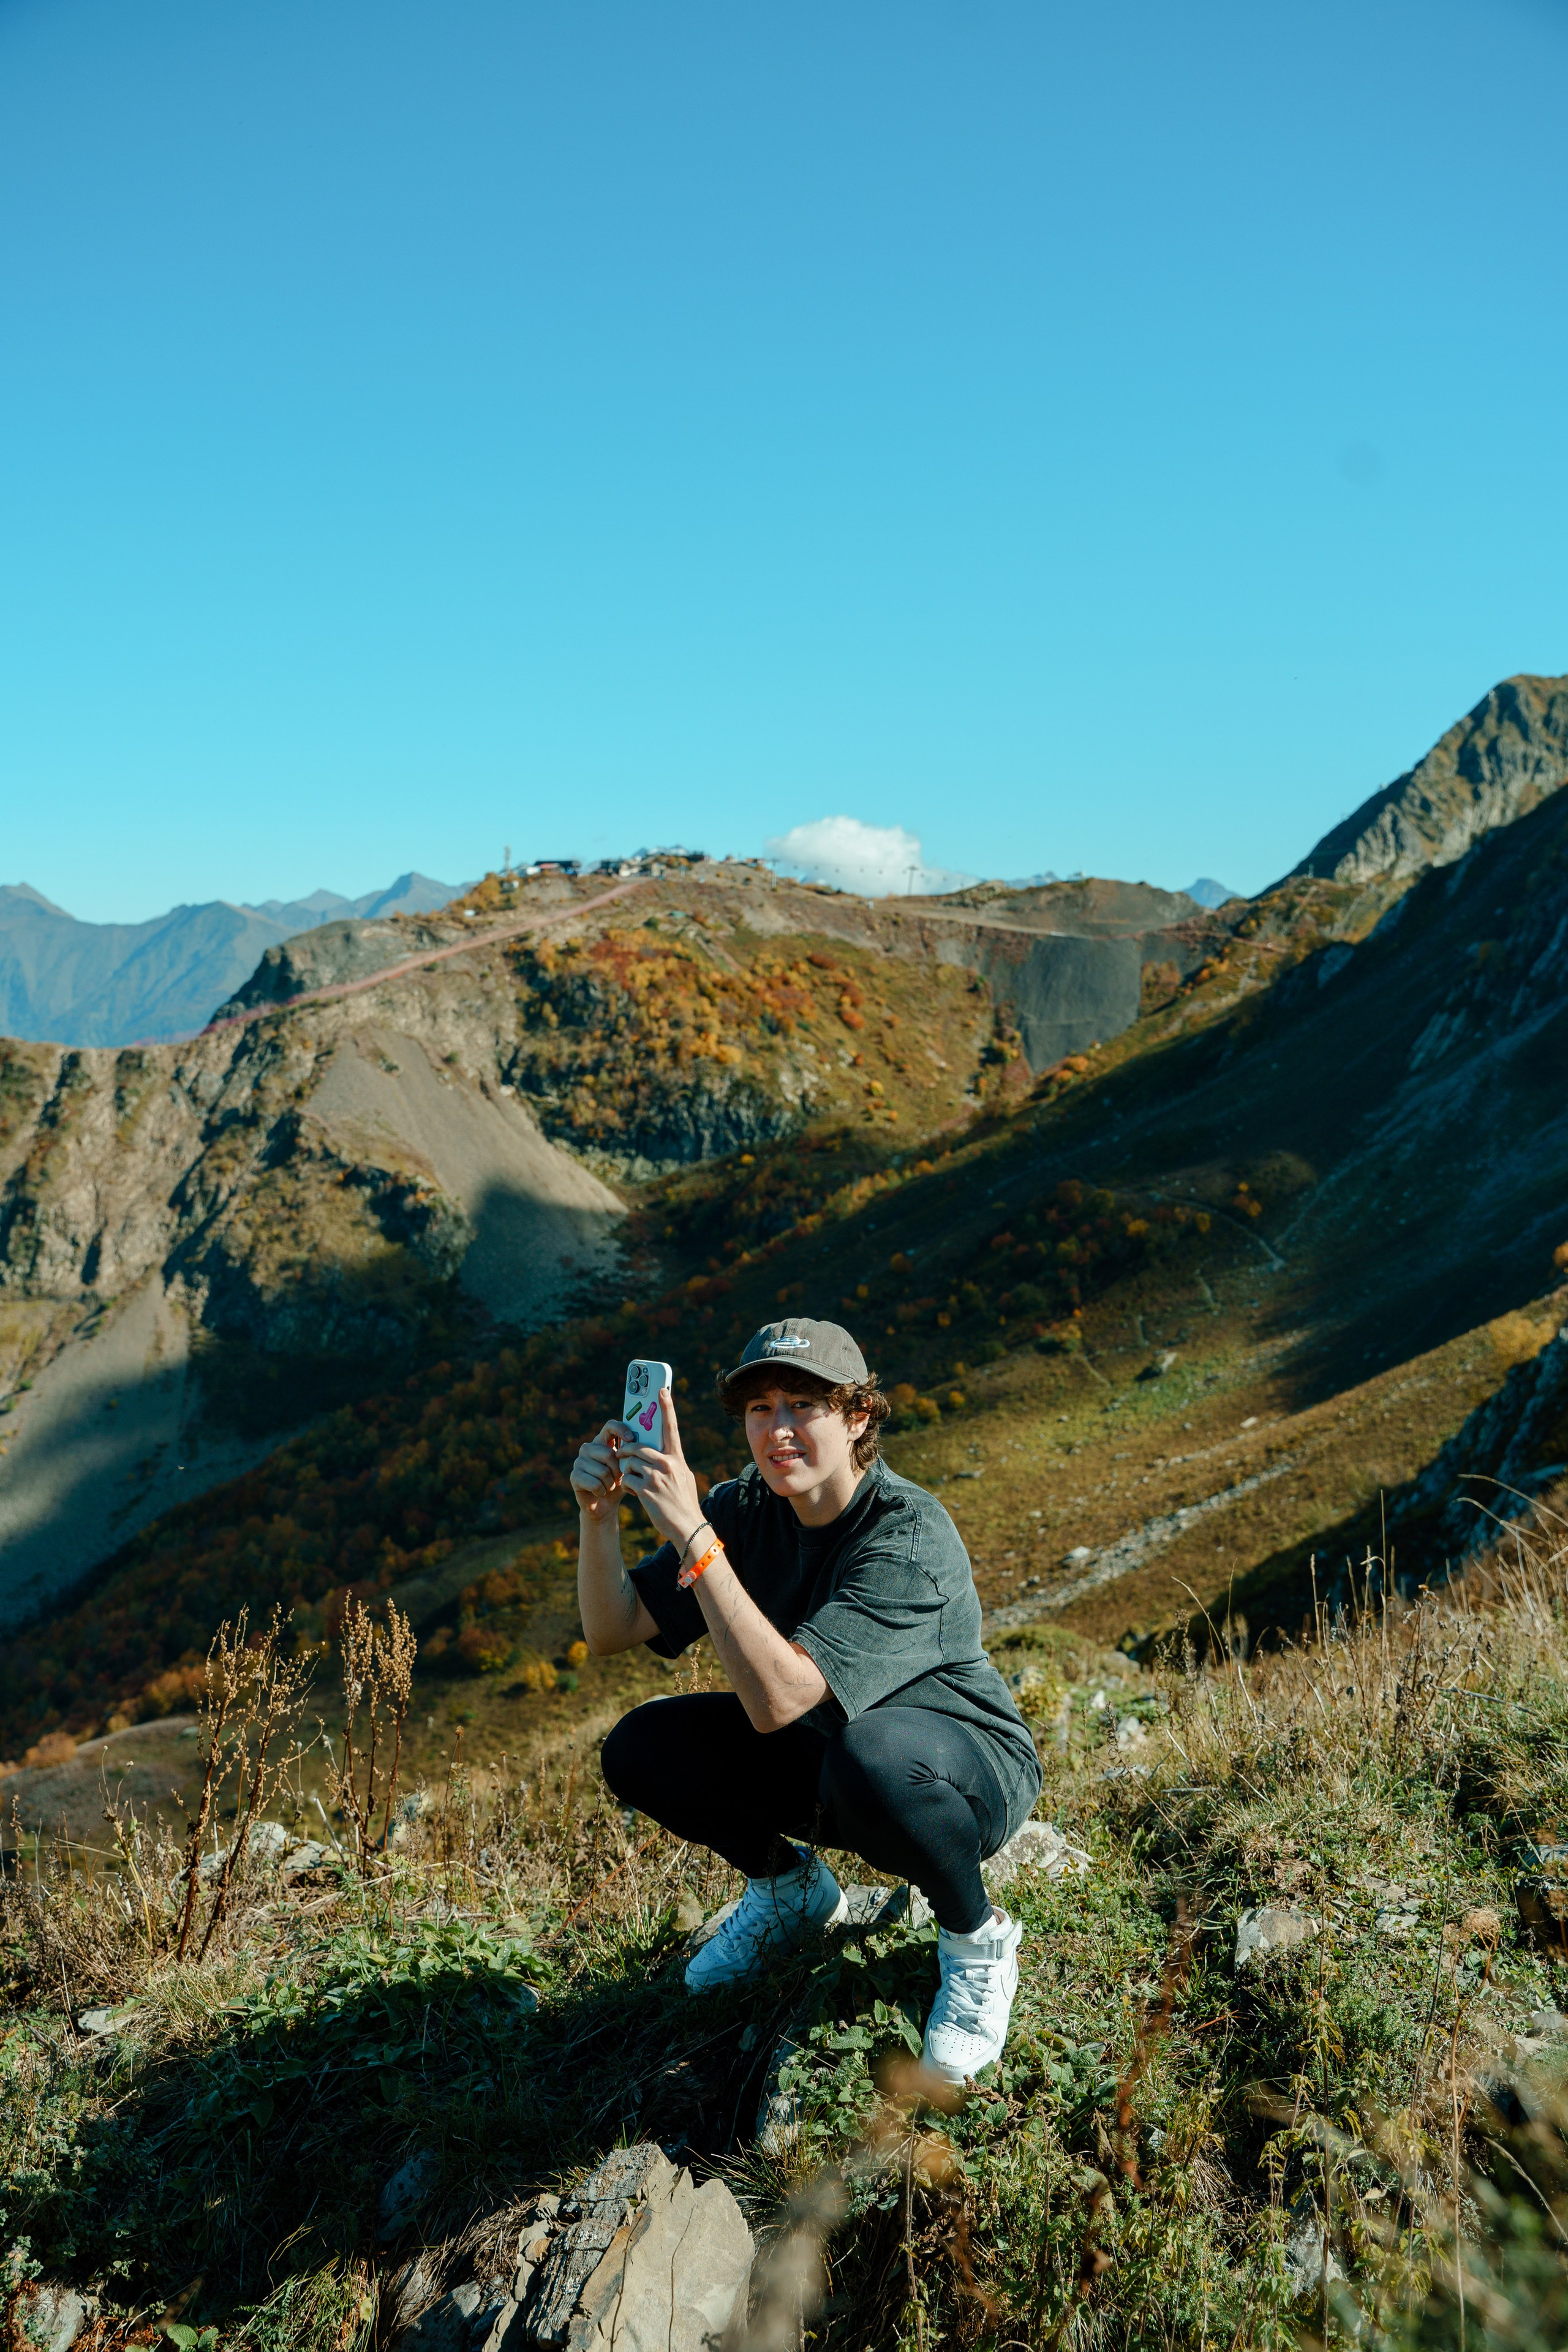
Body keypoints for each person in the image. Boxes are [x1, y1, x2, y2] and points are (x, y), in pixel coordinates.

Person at [570, 1316, 1043, 2084]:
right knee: (640, 1748)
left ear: (858, 1416)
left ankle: (975, 1941)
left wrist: (696, 1537)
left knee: (874, 1758)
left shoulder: (907, 1533)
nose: (778, 1429)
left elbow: (778, 1700)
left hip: (956, 1767)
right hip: (827, 1754)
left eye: (803, 1405)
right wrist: (598, 1519)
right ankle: (791, 1893)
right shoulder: (747, 1511)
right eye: (761, 1410)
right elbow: (613, 1628)